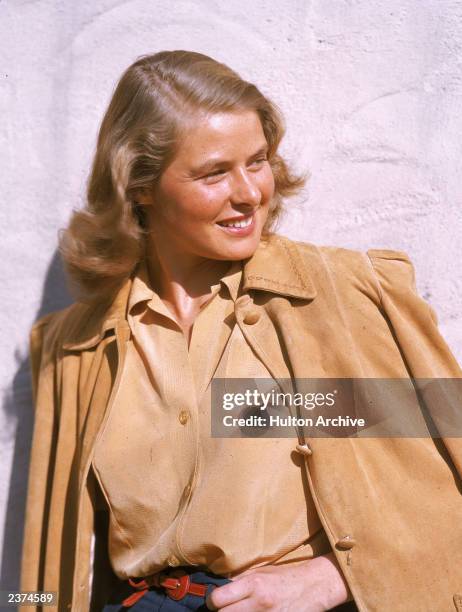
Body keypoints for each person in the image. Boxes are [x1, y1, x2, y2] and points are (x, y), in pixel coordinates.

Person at [21, 51, 462, 612]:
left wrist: (338, 576)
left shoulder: (343, 300)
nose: (251, 192)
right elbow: (46, 579)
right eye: (213, 173)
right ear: (139, 186)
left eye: (257, 162)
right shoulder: (74, 347)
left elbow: (444, 482)